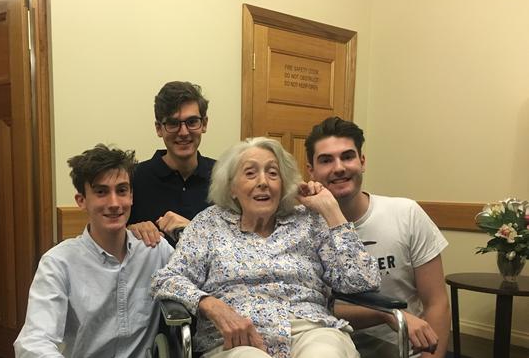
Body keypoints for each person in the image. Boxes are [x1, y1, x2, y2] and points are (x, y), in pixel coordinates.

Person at [151, 137, 380, 358]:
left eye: (273, 173)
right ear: (232, 187)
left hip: (311, 330)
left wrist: (331, 210)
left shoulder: (308, 221)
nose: (263, 182)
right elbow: (167, 279)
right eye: (250, 173)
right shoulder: (209, 224)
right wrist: (211, 306)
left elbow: (361, 281)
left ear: (283, 185)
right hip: (235, 341)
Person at [304, 116, 450, 358]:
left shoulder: (406, 214)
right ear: (312, 170)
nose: (339, 167)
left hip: (402, 350)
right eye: (326, 160)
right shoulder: (301, 228)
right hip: (327, 349)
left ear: (362, 162)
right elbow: (314, 309)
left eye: (347, 156)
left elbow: (437, 303)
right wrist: (387, 314)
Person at [14, 144, 173, 357]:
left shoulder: (154, 250)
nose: (115, 203)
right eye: (101, 192)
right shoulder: (58, 263)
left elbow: (202, 279)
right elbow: (33, 343)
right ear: (81, 201)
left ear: (132, 196)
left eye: (122, 190)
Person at [128, 81, 215, 247]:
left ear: (204, 124)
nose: (183, 132)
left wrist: (192, 230)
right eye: (173, 123)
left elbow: (238, 244)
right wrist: (130, 232)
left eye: (192, 122)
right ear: (159, 128)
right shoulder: (133, 178)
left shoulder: (225, 178)